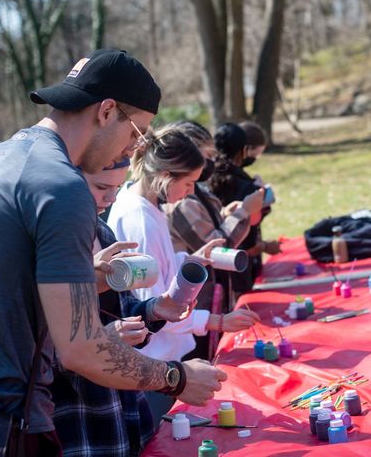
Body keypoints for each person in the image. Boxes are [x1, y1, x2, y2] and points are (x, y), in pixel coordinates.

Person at [0, 49, 227, 456]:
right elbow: (83, 350)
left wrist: (89, 278)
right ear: (107, 110)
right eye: (137, 133)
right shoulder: (61, 187)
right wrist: (176, 377)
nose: (132, 150)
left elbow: (2, 291)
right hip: (1, 427)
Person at [107, 126, 259, 422]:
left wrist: (192, 259)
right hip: (154, 363)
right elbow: (154, 306)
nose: (191, 192)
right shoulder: (140, 218)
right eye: (189, 183)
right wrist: (216, 321)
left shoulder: (147, 204)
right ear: (165, 176)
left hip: (161, 360)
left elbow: (159, 266)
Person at [51, 159, 159, 457]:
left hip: (127, 414)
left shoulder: (104, 232)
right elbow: (39, 357)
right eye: (101, 187)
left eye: (116, 187)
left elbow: (124, 314)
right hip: (83, 421)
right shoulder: (52, 246)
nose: (111, 199)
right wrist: (101, 341)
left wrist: (155, 311)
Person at [163, 120, 265, 360]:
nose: (211, 162)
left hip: (209, 304)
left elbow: (210, 230)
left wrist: (226, 214)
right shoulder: (182, 200)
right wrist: (243, 213)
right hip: (196, 309)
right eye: (207, 155)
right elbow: (218, 250)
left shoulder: (195, 190)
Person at [207, 123, 279, 294]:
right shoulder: (246, 186)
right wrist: (263, 200)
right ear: (243, 150)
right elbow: (251, 227)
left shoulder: (207, 180)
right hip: (240, 263)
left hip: (215, 265)